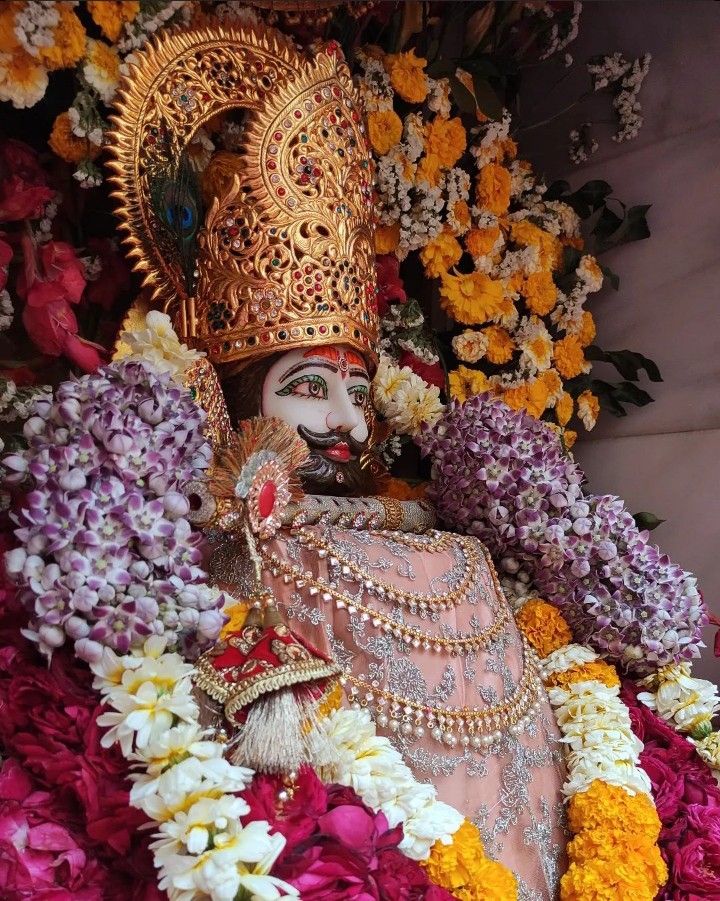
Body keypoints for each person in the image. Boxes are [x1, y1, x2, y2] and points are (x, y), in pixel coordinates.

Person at [108, 20, 566, 897]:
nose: (347, 427)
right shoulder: (223, 550)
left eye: (357, 395)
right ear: (236, 397)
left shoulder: (446, 550)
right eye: (310, 388)